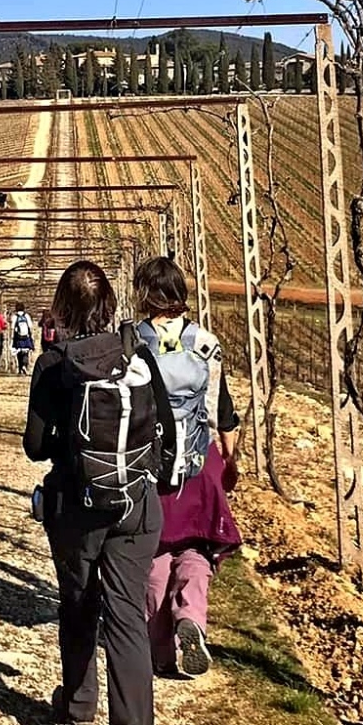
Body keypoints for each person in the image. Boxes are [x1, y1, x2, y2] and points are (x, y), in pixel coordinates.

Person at [24, 260, 178, 725]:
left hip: (77, 507)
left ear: (63, 309)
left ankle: (79, 700)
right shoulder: (136, 353)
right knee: (127, 620)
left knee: (77, 602)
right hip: (135, 505)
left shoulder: (54, 365)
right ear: (112, 304)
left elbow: (36, 446)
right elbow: (166, 430)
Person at [131, 258, 242, 679]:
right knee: (196, 549)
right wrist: (228, 457)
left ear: (144, 294)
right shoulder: (205, 343)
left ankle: (158, 649)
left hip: (151, 464)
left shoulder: (133, 342)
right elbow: (221, 408)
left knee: (156, 554)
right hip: (198, 464)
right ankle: (190, 617)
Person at [9, 303, 36, 375]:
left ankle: (20, 368)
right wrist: (31, 336)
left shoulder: (15, 316)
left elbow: (12, 327)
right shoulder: (26, 316)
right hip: (26, 336)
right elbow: (30, 326)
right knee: (26, 352)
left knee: (18, 352)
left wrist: (12, 337)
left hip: (18, 337)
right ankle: (24, 365)